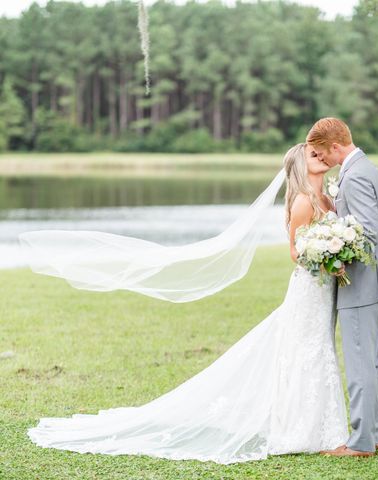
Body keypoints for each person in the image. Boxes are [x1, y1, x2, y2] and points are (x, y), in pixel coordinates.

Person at [26, 143, 350, 465]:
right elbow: (296, 252)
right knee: (307, 351)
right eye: (312, 154)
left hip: (322, 291)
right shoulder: (304, 202)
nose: (320, 156)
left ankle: (316, 427)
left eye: (321, 152)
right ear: (299, 166)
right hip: (309, 288)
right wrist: (329, 259)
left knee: (314, 349)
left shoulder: (327, 197)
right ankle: (302, 432)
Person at [306, 117, 378, 457]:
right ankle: (376, 433)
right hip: (375, 283)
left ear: (335, 146)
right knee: (370, 362)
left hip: (361, 284)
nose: (322, 160)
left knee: (361, 364)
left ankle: (361, 443)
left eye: (321, 153)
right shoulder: (367, 168)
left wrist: (336, 251)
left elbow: (369, 233)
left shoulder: (356, 175)